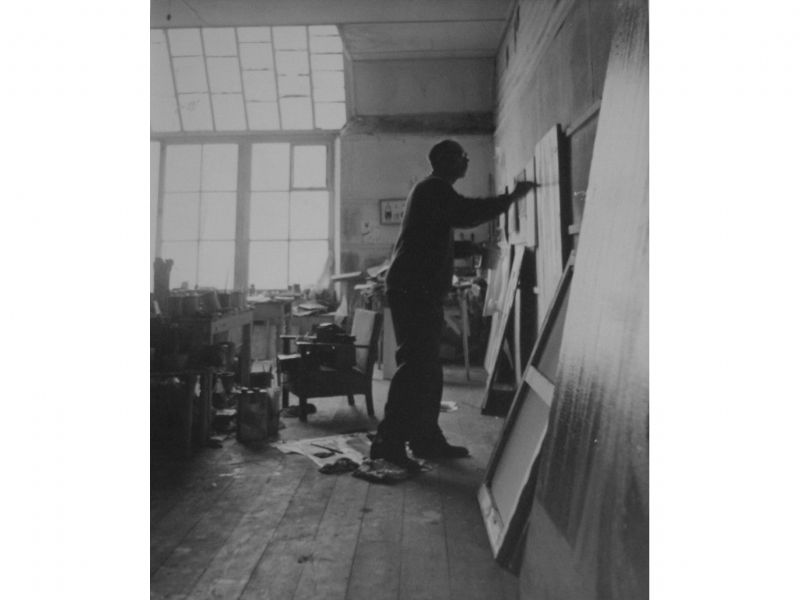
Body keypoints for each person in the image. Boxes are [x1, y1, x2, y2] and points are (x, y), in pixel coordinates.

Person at [370, 139, 535, 471]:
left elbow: (432, 236)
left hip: (417, 289)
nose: (467, 162)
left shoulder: (432, 191)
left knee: (428, 369)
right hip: (414, 290)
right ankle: (388, 443)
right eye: (463, 157)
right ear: (446, 161)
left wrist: (469, 251)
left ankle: (425, 438)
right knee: (416, 368)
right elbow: (468, 213)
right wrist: (512, 198)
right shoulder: (434, 188)